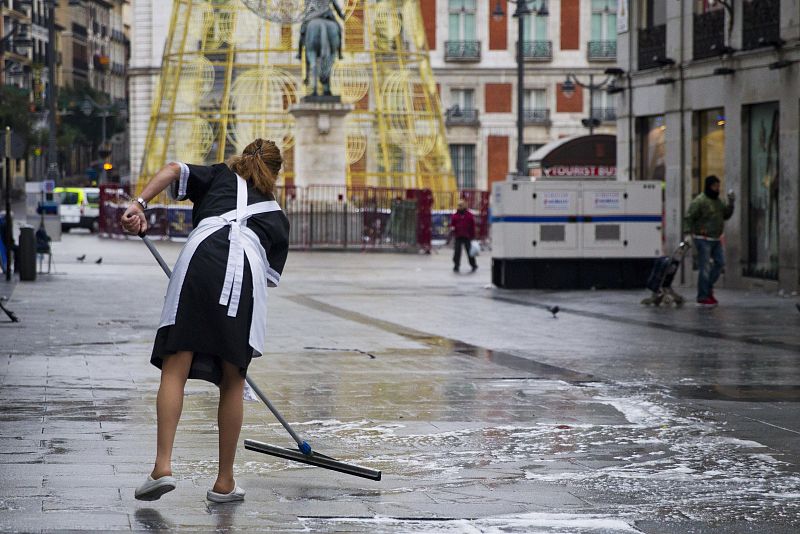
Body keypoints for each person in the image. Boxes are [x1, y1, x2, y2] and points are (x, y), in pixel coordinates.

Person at [121, 139, 290, 503]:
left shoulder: (219, 176)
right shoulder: (278, 219)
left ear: (241, 158)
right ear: (275, 174)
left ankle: (162, 466)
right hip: (243, 277)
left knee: (176, 365)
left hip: (199, 261)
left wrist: (139, 205)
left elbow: (172, 168)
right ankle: (224, 482)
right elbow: (268, 281)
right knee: (232, 379)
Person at [685, 175, 734, 307]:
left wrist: (731, 203)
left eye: (718, 186)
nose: (717, 189)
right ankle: (703, 296)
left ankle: (708, 288)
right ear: (708, 186)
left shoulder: (718, 202)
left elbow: (726, 215)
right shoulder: (700, 201)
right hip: (703, 238)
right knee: (705, 267)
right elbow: (689, 217)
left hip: (716, 238)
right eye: (714, 186)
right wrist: (687, 234)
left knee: (720, 262)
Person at [450, 200, 477, 273]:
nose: (459, 207)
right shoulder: (455, 215)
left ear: (464, 206)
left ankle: (473, 264)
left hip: (467, 236)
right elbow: (452, 225)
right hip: (458, 235)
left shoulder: (469, 215)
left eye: (461, 205)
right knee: (457, 252)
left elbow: (472, 226)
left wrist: (473, 235)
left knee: (469, 251)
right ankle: (456, 265)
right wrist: (453, 231)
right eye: (459, 205)